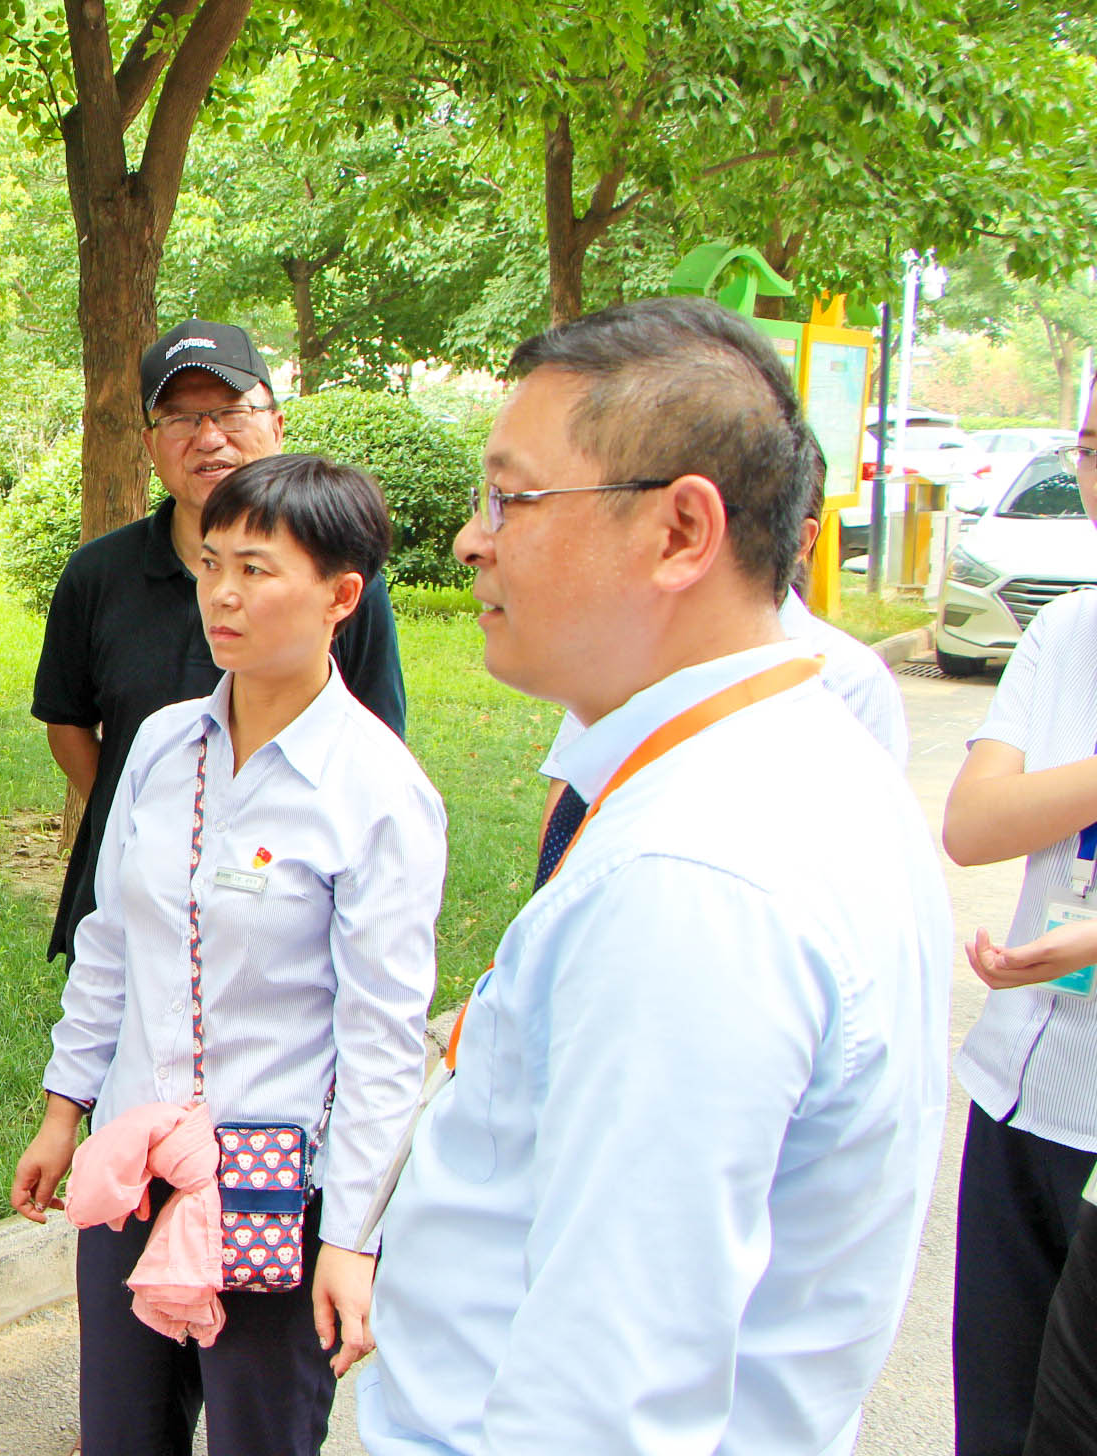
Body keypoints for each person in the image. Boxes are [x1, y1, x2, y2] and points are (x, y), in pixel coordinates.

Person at [357, 297, 950, 1455]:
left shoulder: (691, 881)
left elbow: (604, 1406)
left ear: (681, 531)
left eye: (512, 499)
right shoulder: (795, 764)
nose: (472, 540)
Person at [10, 453, 445, 1456]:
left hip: (272, 1191)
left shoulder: (377, 791)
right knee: (121, 1434)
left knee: (260, 1435)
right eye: (212, 564)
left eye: (257, 569)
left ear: (342, 596)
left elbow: (381, 1038)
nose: (224, 594)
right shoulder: (164, 746)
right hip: (134, 1161)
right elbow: (110, 943)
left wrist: (353, 1238)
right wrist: (65, 1110)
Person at [33, 319, 407, 964]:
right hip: (128, 896)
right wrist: (154, 817)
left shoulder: (337, 583)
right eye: (180, 419)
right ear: (150, 444)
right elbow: (67, 724)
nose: (209, 438)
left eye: (231, 412)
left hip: (285, 913)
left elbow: (376, 741)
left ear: (276, 424)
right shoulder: (98, 574)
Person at [942, 392, 1097, 1456]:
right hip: (1019, 1091)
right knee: (997, 1427)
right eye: (1091, 446)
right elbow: (976, 824)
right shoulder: (1068, 630)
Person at [530, 479, 912, 887]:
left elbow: (865, 849)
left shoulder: (849, 676)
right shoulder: (631, 650)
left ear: (800, 541)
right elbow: (571, 800)